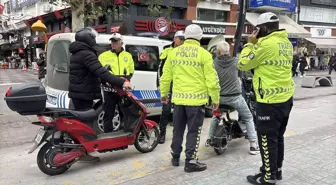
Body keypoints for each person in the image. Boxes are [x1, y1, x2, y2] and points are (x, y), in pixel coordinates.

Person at [238, 12, 295, 185]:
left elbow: (243, 63)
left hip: (269, 100)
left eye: (257, 29)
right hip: (286, 98)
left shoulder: (265, 45)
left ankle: (268, 178)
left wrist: (249, 45)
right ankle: (275, 171)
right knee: (278, 137)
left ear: (262, 28)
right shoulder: (286, 43)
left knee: (266, 139)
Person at [160, 24, 220, 173]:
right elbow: (212, 79)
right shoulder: (204, 54)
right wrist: (215, 99)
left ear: (185, 36)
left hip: (179, 101)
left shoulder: (174, 53)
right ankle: (190, 161)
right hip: (196, 101)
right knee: (194, 131)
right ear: (200, 37)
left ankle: (175, 157)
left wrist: (164, 93)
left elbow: (165, 76)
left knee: (177, 130)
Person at [68, 27, 132, 162]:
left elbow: (94, 72)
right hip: (84, 94)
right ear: (88, 39)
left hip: (79, 93)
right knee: (86, 125)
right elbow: (101, 72)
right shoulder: (86, 54)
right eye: (93, 38)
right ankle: (83, 152)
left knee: (82, 123)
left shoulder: (78, 52)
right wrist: (120, 83)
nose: (94, 40)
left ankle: (79, 150)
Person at [206, 41, 259, 155]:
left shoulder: (213, 63)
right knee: (248, 117)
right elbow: (242, 74)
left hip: (219, 99)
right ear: (228, 51)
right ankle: (253, 144)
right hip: (235, 98)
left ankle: (209, 138)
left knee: (216, 116)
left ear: (218, 52)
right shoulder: (236, 61)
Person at [98, 33, 134, 133]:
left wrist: (127, 79)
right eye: (112, 41)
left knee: (125, 111)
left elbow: (131, 70)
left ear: (121, 43)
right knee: (108, 112)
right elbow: (100, 71)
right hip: (109, 89)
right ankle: (107, 134)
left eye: (116, 41)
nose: (113, 43)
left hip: (123, 88)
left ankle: (125, 132)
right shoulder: (103, 56)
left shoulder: (128, 56)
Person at [156, 30, 185, 144]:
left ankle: (177, 135)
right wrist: (159, 84)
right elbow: (160, 69)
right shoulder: (167, 49)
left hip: (180, 84)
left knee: (179, 111)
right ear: (175, 38)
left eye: (183, 39)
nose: (182, 41)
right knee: (166, 110)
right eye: (180, 39)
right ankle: (162, 134)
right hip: (169, 83)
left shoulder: (185, 50)